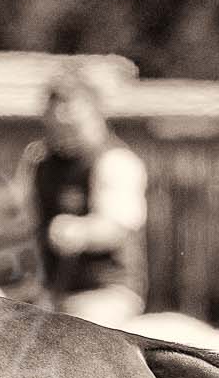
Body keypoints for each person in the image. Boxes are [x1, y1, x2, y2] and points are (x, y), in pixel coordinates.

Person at [18, 69, 150, 327]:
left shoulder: (115, 161)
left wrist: (81, 231)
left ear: (95, 115)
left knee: (73, 351)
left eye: (71, 122)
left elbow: (117, 227)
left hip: (105, 294)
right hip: (51, 295)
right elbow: (23, 222)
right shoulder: (38, 162)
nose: (62, 131)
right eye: (55, 123)